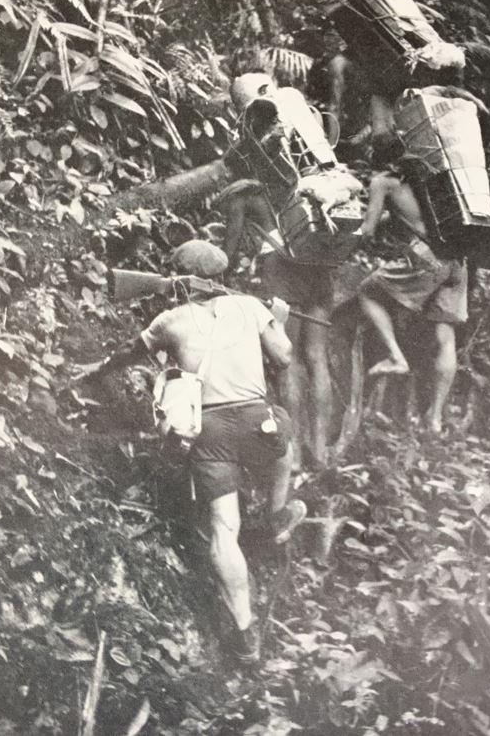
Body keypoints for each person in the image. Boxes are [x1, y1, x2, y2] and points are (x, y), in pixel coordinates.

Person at [74, 240, 307, 664]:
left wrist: (97, 370)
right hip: (258, 422)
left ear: (180, 278)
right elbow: (285, 356)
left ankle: (245, 634)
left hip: (209, 429)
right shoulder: (250, 306)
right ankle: (275, 516)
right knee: (284, 441)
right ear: (219, 276)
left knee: (224, 530)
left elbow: (130, 352)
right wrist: (278, 321)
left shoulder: (170, 320)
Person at [221, 82, 335, 470]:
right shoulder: (308, 168)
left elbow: (227, 256)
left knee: (290, 361)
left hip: (281, 268)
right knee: (317, 358)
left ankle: (296, 455)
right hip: (319, 256)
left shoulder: (245, 192)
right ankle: (321, 449)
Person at [357, 161, 468, 434]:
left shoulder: (384, 180)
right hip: (458, 262)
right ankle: (435, 418)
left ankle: (396, 357)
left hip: (429, 260)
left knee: (368, 290)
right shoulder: (432, 177)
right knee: (446, 338)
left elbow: (367, 231)